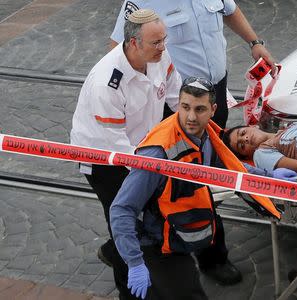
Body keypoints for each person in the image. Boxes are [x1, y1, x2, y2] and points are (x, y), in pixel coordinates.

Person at [109, 77, 291, 299]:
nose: (191, 117)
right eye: (185, 108)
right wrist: (135, 262)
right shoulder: (158, 153)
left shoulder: (205, 136)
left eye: (200, 109)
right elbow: (121, 209)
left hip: (175, 232)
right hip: (156, 244)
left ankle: (115, 253)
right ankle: (120, 255)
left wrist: (268, 177)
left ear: (213, 110)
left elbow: (230, 167)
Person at [70, 9, 182, 299]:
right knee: (123, 219)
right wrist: (153, 169)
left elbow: (176, 98)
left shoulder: (159, 58)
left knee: (146, 212)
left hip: (140, 147)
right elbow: (115, 144)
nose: (163, 47)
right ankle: (128, 289)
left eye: (164, 40)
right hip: (105, 158)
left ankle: (117, 250)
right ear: (133, 43)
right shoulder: (107, 82)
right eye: (155, 43)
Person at [110, 0, 276, 128]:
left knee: (216, 150)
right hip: (177, 101)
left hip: (216, 90)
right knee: (183, 163)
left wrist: (254, 43)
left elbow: (230, 10)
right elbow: (118, 46)